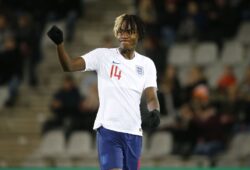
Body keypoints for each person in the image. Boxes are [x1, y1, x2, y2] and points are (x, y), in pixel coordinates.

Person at [47, 14, 161, 170]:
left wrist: (155, 111)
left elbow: (151, 96)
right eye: (121, 31)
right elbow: (69, 66)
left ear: (139, 33)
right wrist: (59, 45)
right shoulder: (103, 56)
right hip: (109, 130)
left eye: (129, 31)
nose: (124, 35)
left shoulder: (147, 64)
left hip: (134, 134)